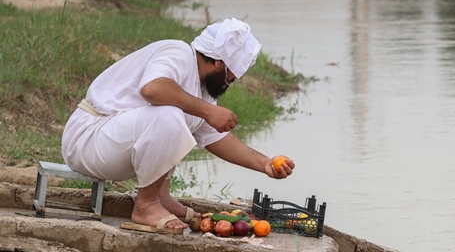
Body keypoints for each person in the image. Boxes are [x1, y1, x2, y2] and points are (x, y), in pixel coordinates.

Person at [61, 18, 295, 232]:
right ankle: (146, 205)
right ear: (218, 62)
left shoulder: (202, 91)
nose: (232, 81)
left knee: (174, 114)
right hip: (87, 139)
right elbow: (153, 89)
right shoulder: (178, 52)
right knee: (169, 114)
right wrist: (209, 111)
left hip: (110, 147)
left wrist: (264, 163)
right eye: (232, 75)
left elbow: (216, 138)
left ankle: (160, 197)